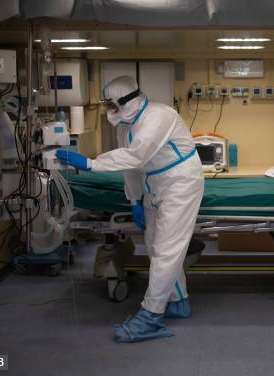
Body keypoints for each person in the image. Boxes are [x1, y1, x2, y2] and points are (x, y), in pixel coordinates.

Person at [56, 76, 204, 343]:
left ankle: (150, 316)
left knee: (168, 250)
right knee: (155, 246)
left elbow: (137, 155)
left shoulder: (160, 116)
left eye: (113, 105)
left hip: (180, 182)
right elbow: (131, 166)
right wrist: (134, 200)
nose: (110, 112)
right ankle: (178, 300)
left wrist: (90, 164)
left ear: (128, 101)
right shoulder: (125, 126)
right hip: (154, 184)